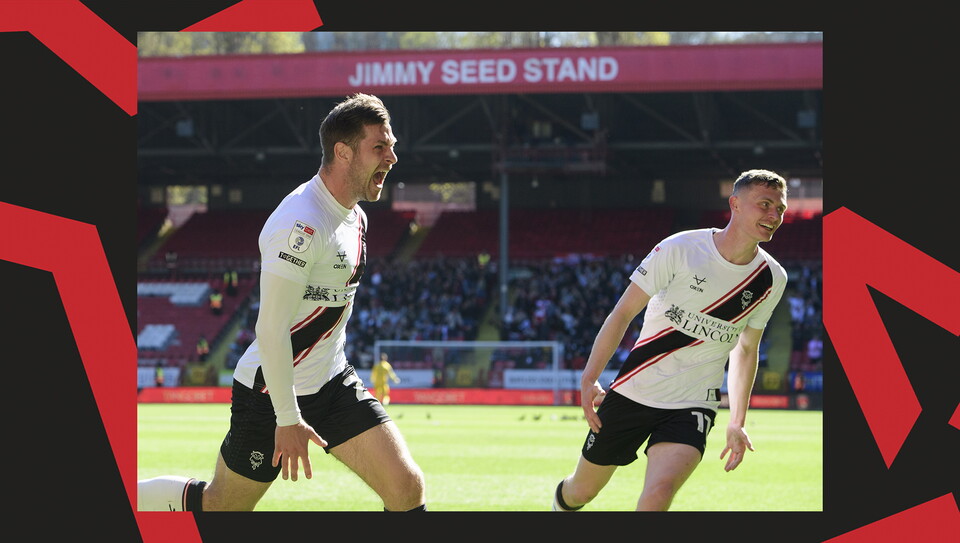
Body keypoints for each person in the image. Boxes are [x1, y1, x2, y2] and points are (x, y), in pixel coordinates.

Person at [138, 93, 426, 512]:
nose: (393, 157)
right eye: (380, 147)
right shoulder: (300, 222)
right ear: (343, 152)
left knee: (406, 489)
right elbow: (270, 329)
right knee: (223, 507)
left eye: (392, 145)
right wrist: (287, 418)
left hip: (332, 381)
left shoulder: (356, 215)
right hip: (270, 392)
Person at [552, 169, 789, 512]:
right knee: (581, 492)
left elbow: (747, 348)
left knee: (658, 495)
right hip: (633, 392)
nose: (773, 216)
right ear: (735, 204)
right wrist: (590, 377)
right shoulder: (681, 248)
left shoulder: (772, 278)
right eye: (764, 204)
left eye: (779, 209)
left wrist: (737, 420)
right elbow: (622, 314)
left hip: (692, 405)